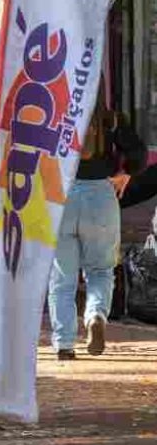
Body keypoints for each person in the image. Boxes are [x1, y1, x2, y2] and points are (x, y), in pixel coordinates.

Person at [47, 109, 147, 360]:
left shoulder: (52, 109)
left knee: (62, 276)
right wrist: (126, 173)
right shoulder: (110, 118)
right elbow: (139, 154)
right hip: (101, 195)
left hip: (61, 194)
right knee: (100, 270)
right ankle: (95, 316)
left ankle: (64, 344)